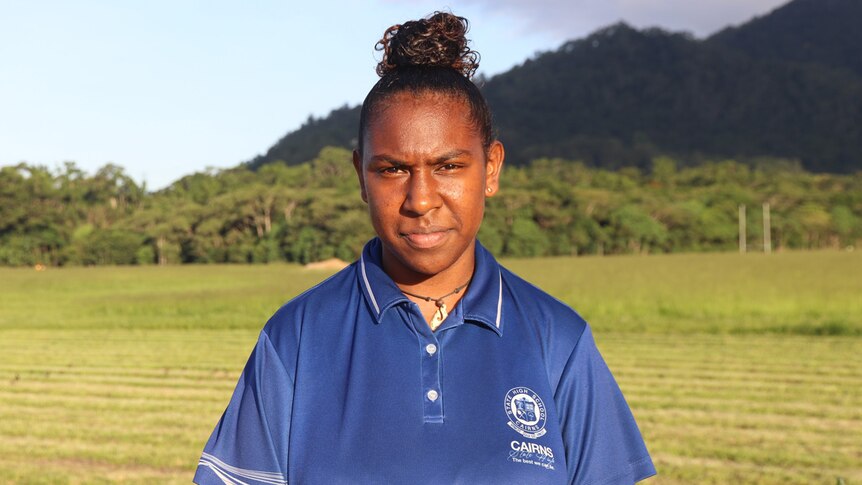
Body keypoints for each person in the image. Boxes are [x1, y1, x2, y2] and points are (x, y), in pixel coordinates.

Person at [194, 12, 655, 485]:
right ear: (361, 176)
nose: (420, 200)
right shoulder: (295, 339)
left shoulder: (557, 340)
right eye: (392, 169)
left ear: (491, 169)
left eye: (449, 166)